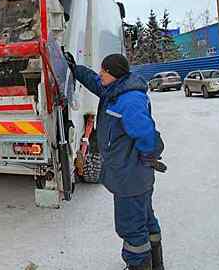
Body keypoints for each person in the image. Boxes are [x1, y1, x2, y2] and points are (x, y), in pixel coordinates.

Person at [65, 53, 165, 270]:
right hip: (134, 175)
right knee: (145, 218)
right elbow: (94, 81)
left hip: (130, 176)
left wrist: (149, 155)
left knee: (131, 226)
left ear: (115, 74)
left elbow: (146, 134)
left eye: (104, 70)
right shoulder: (115, 89)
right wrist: (75, 68)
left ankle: (139, 266)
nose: (100, 73)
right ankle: (155, 263)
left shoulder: (129, 99)